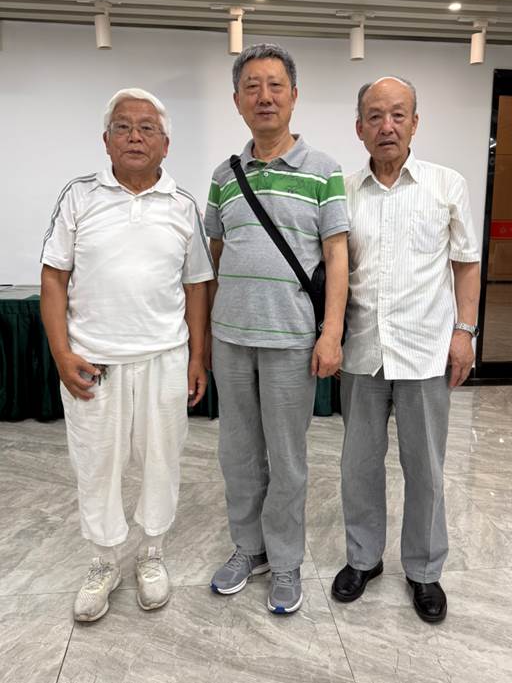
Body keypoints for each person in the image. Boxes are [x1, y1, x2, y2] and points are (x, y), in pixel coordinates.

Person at [40, 87, 214, 622]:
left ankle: (152, 554)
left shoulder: (183, 205)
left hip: (165, 358)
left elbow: (197, 285)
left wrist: (197, 358)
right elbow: (53, 277)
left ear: (166, 144)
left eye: (147, 128)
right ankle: (103, 561)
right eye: (123, 127)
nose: (135, 136)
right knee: (96, 465)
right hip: (95, 361)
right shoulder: (78, 196)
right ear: (106, 140)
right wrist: (61, 353)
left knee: (162, 461)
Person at [205, 43, 349, 614]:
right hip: (230, 338)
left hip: (291, 339)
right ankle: (250, 548)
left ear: (293, 95)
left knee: (287, 458)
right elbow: (216, 255)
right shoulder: (224, 175)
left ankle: (286, 559)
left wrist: (331, 332)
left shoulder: (324, 171)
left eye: (274, 86)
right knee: (237, 453)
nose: (263, 96)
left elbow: (337, 257)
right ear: (237, 100)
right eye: (252, 87)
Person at [331, 76, 480, 623]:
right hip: (362, 352)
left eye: (398, 115)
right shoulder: (343, 191)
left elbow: (466, 262)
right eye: (375, 116)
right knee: (358, 466)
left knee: (426, 469)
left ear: (416, 123)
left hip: (425, 351)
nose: (386, 126)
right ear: (359, 128)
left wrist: (465, 332)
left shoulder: (446, 184)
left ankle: (423, 568)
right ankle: (363, 559)